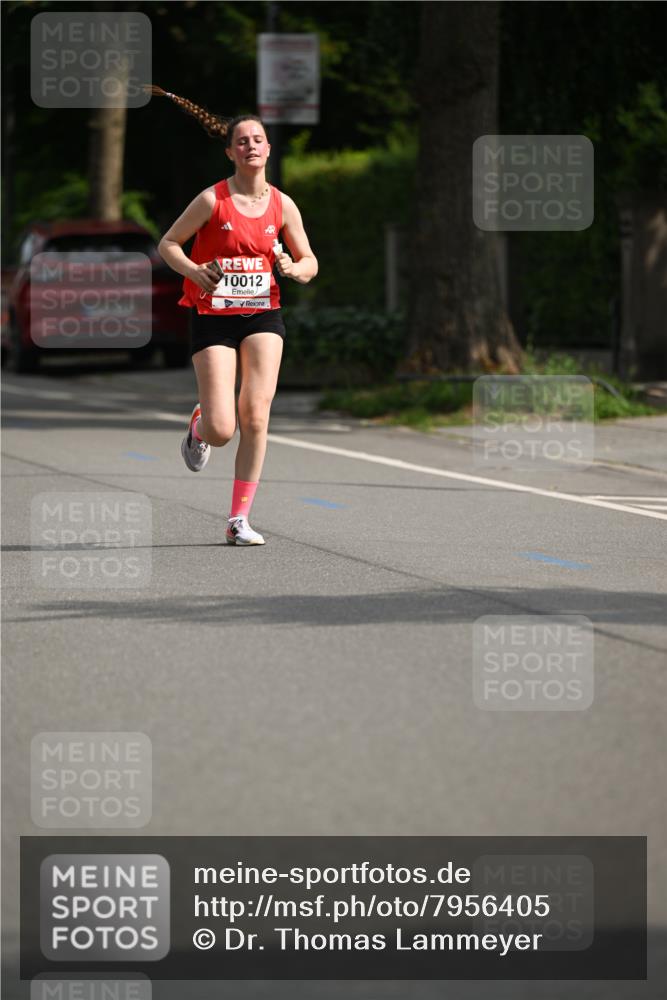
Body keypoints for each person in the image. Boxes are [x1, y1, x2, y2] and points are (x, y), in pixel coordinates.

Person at [153, 86, 318, 545]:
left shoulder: (282, 204)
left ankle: (238, 520)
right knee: (223, 428)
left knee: (256, 415)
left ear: (269, 148)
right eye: (242, 141)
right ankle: (200, 427)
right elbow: (168, 244)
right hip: (214, 316)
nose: (251, 146)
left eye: (258, 140)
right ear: (230, 152)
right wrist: (194, 270)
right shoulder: (212, 200)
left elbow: (310, 261)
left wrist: (294, 269)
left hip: (263, 315)